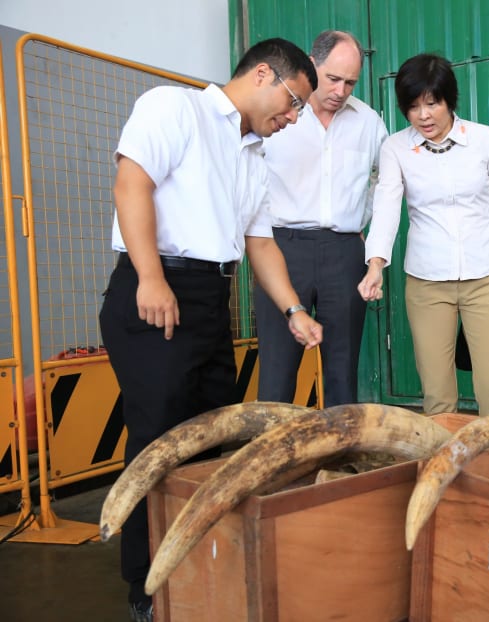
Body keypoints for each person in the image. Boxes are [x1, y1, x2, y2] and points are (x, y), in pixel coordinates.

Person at [98, 38, 322, 622]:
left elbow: (260, 241)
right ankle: (144, 591)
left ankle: (196, 564)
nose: (294, 117)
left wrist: (294, 309)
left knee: (209, 440)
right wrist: (149, 276)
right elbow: (132, 183)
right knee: (157, 446)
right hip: (156, 291)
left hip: (206, 300)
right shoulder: (176, 108)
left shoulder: (253, 153)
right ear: (264, 75)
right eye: (294, 101)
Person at [358, 53, 489, 416]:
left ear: (449, 100)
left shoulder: (484, 139)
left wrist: (484, 250)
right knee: (438, 393)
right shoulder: (396, 148)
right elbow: (385, 208)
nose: (423, 115)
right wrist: (375, 264)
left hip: (486, 278)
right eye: (412, 107)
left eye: (432, 103)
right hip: (427, 282)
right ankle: (446, 468)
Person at [254, 30, 387, 406]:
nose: (341, 91)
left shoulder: (368, 122)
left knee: (342, 374)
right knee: (278, 374)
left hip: (345, 252)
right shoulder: (278, 115)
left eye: (350, 82)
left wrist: (363, 219)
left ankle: (340, 459)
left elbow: (387, 181)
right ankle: (274, 461)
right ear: (312, 65)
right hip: (281, 250)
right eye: (333, 79)